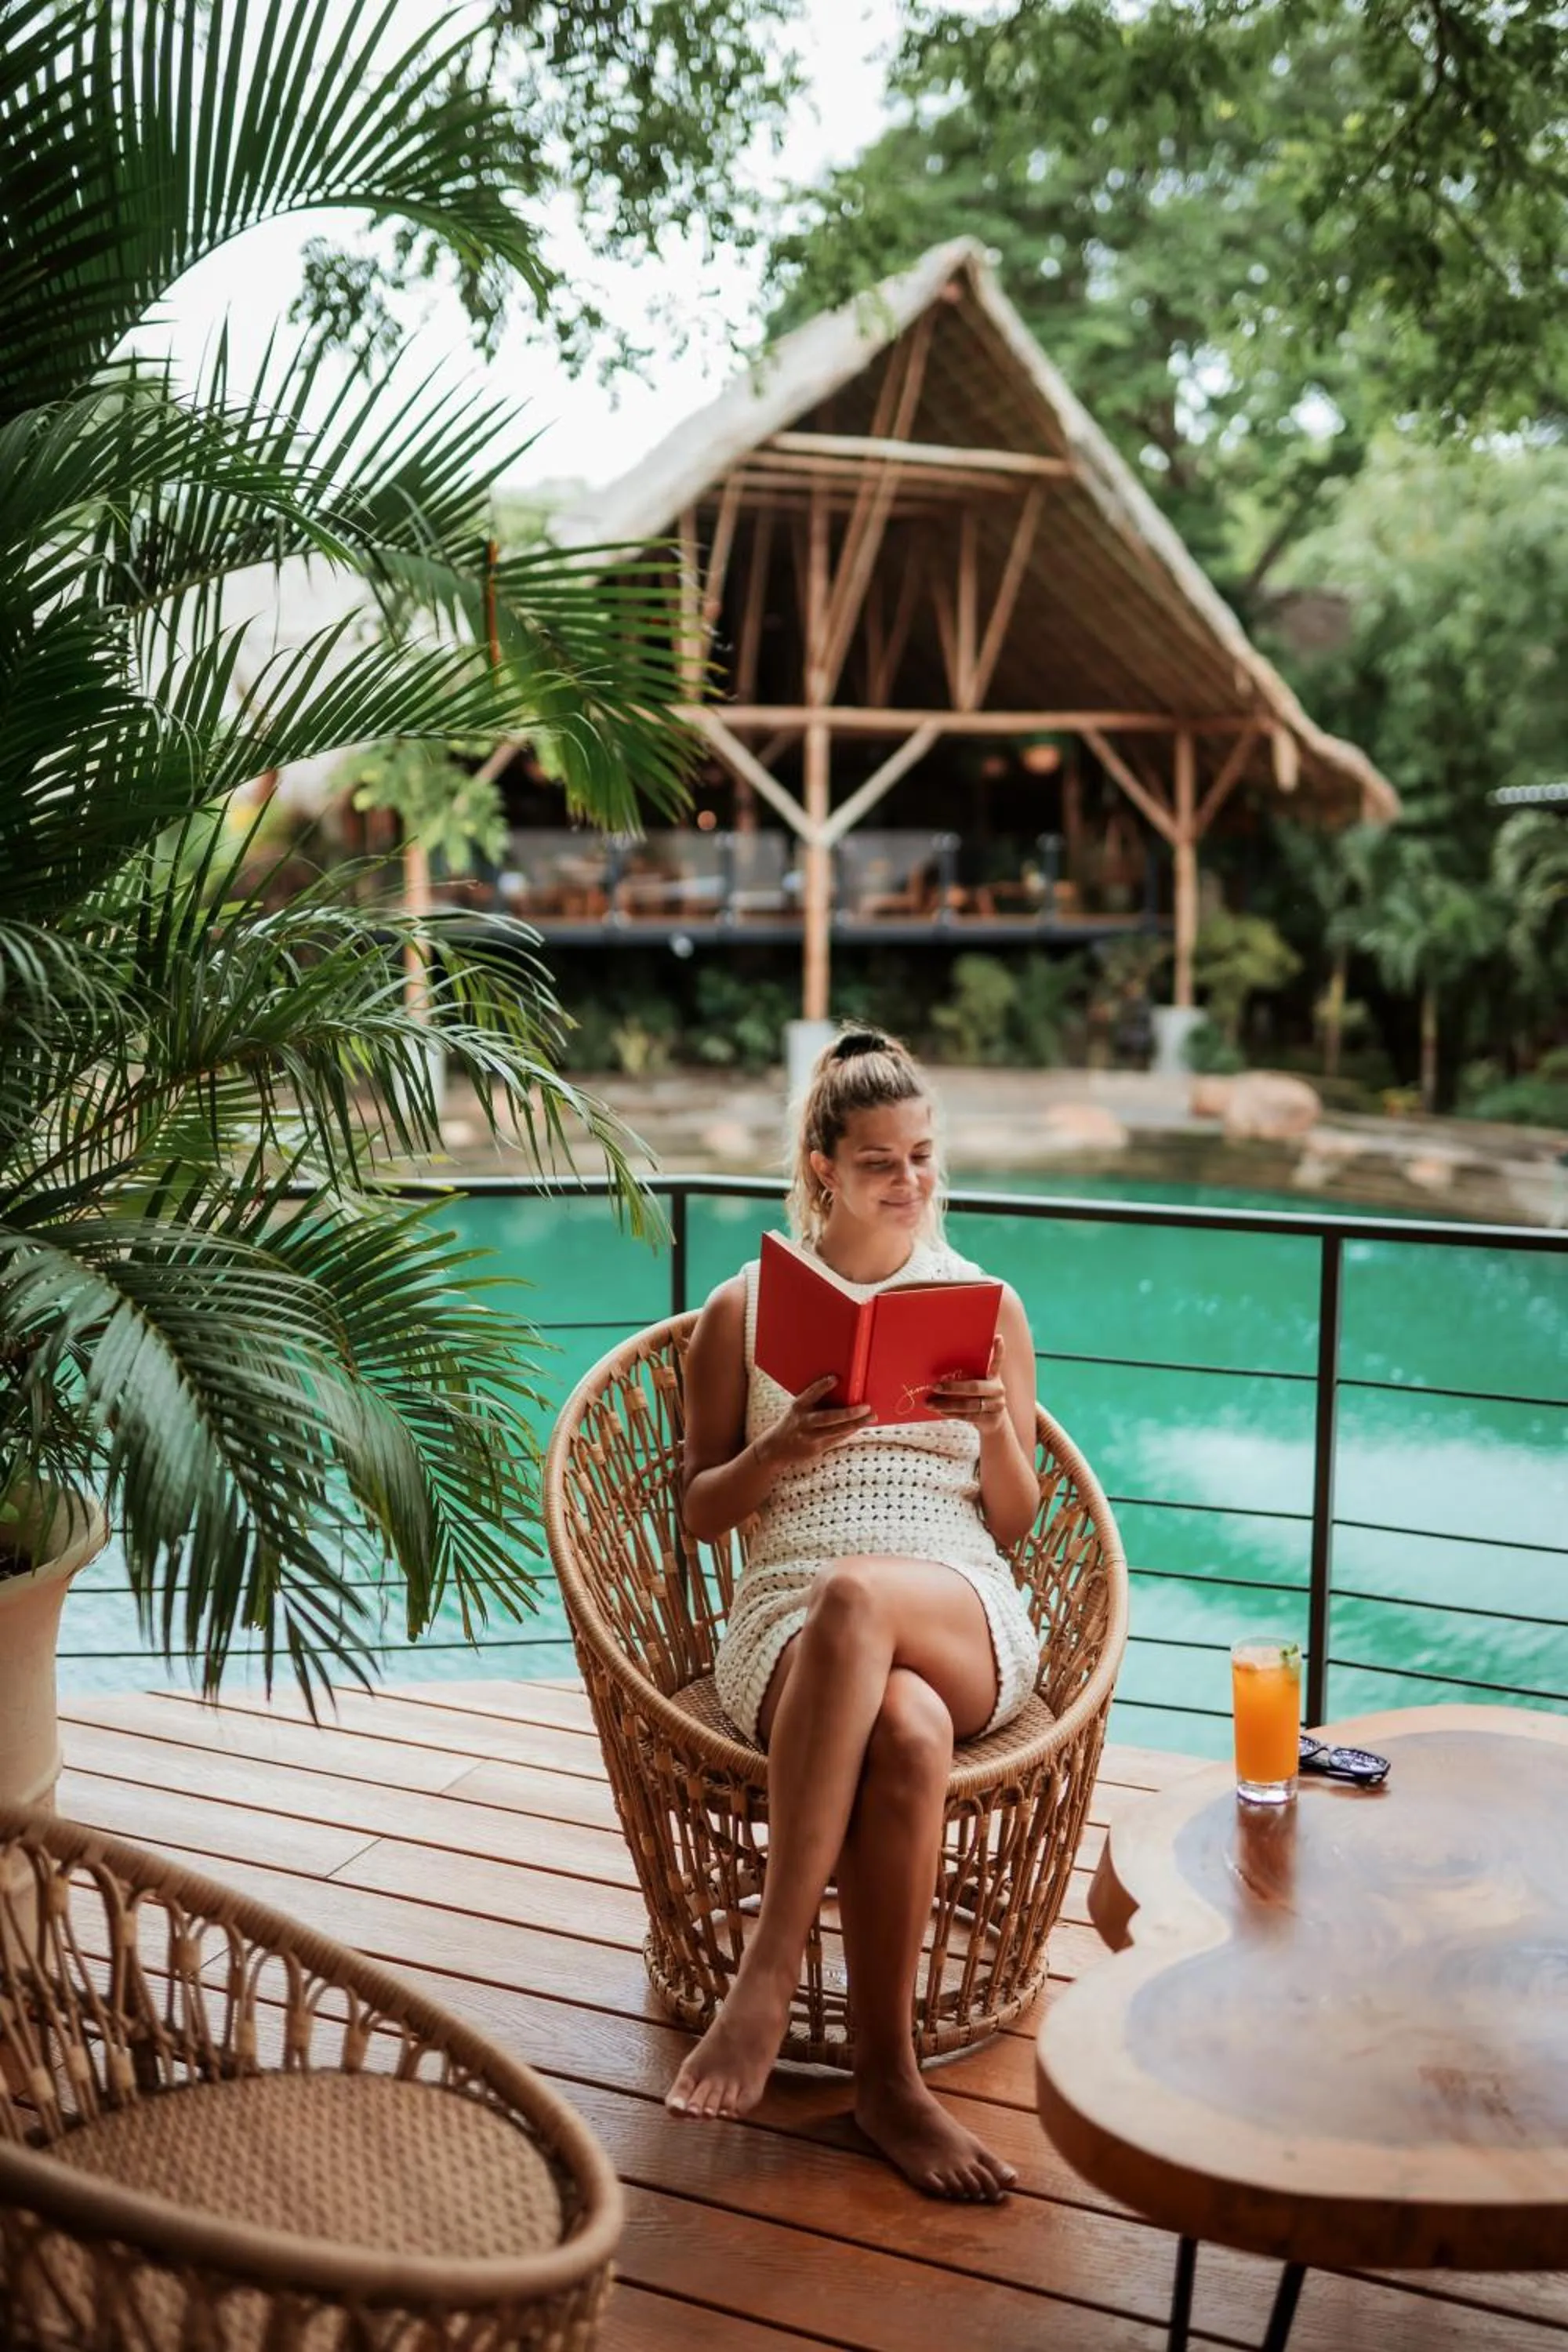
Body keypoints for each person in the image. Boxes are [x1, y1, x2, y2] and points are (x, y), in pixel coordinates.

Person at [666, 1025, 1043, 2202]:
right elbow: (697, 1512)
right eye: (883, 1161)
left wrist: (987, 1427)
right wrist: (778, 1451)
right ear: (822, 1165)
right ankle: (889, 2078)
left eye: (924, 1156)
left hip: (957, 1600)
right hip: (793, 1623)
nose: (912, 1184)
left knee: (862, 1596)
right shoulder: (745, 1308)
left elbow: (1019, 1517)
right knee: (907, 1729)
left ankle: (769, 1973)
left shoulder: (984, 1303)